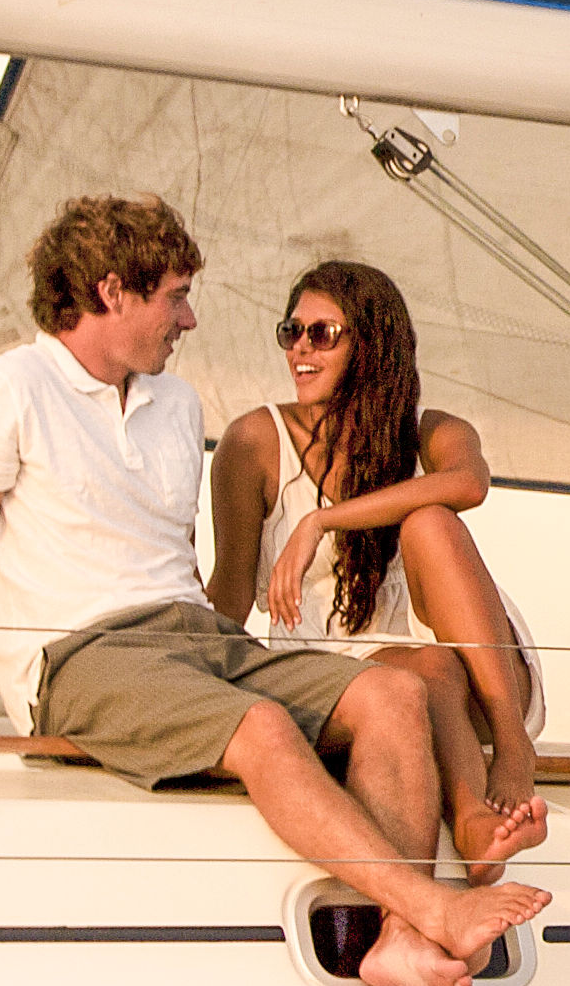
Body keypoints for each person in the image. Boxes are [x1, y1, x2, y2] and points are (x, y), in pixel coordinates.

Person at [0, 194, 541, 986]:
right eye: (174, 295)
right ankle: (431, 908)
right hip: (82, 654)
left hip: (200, 640)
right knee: (261, 727)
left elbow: (192, 578)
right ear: (113, 292)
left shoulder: (175, 407)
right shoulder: (0, 390)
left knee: (393, 694)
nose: (190, 317)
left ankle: (395, 943)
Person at [207, 257, 545, 882]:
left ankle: (512, 744)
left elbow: (469, 484)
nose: (300, 350)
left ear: (373, 347)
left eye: (322, 334)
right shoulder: (255, 442)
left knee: (431, 524)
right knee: (422, 669)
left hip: (486, 680)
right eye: (292, 331)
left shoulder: (431, 434)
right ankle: (473, 819)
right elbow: (227, 596)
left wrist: (322, 522)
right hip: (347, 678)